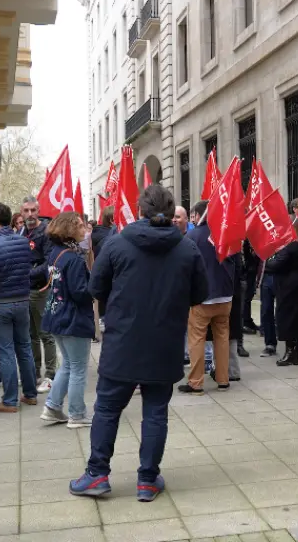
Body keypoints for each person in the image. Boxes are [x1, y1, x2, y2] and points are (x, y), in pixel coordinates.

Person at [72, 185, 207, 502]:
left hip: (123, 343)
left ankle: (97, 474)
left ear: (140, 210)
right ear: (171, 210)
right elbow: (200, 295)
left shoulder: (117, 244)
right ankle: (147, 479)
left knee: (107, 409)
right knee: (156, 413)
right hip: (165, 343)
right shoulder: (186, 248)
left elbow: (96, 286)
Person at [0, 202, 40, 412]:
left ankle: (10, 400)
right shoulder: (23, 241)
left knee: (5, 351)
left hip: (1, 304)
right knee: (24, 347)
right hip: (22, 301)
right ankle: (30, 394)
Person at [37, 213, 96, 428]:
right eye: (80, 226)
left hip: (56, 316)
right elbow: (80, 292)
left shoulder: (56, 254)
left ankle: (52, 407)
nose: (84, 229)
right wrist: (94, 289)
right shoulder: (74, 259)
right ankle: (77, 414)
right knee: (78, 368)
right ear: (69, 230)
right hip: (73, 319)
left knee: (68, 365)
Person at [181, 201, 237, 393]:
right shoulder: (225, 232)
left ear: (197, 215)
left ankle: (196, 382)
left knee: (197, 338)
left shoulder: (192, 236)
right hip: (225, 295)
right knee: (222, 337)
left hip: (202, 297)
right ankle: (223, 379)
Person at [264, 219, 298, 366]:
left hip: (290, 288)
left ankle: (291, 352)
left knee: (288, 319)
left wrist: (267, 259)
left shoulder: (291, 246)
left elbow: (276, 264)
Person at [20, 198, 57, 392]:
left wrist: (28, 273)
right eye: (26, 210)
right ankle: (34, 372)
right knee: (30, 334)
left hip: (41, 289)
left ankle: (51, 374)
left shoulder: (45, 232)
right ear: (22, 211)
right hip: (25, 289)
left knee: (45, 333)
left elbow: (48, 262)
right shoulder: (22, 231)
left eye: (33, 210)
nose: (30, 214)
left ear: (38, 210)